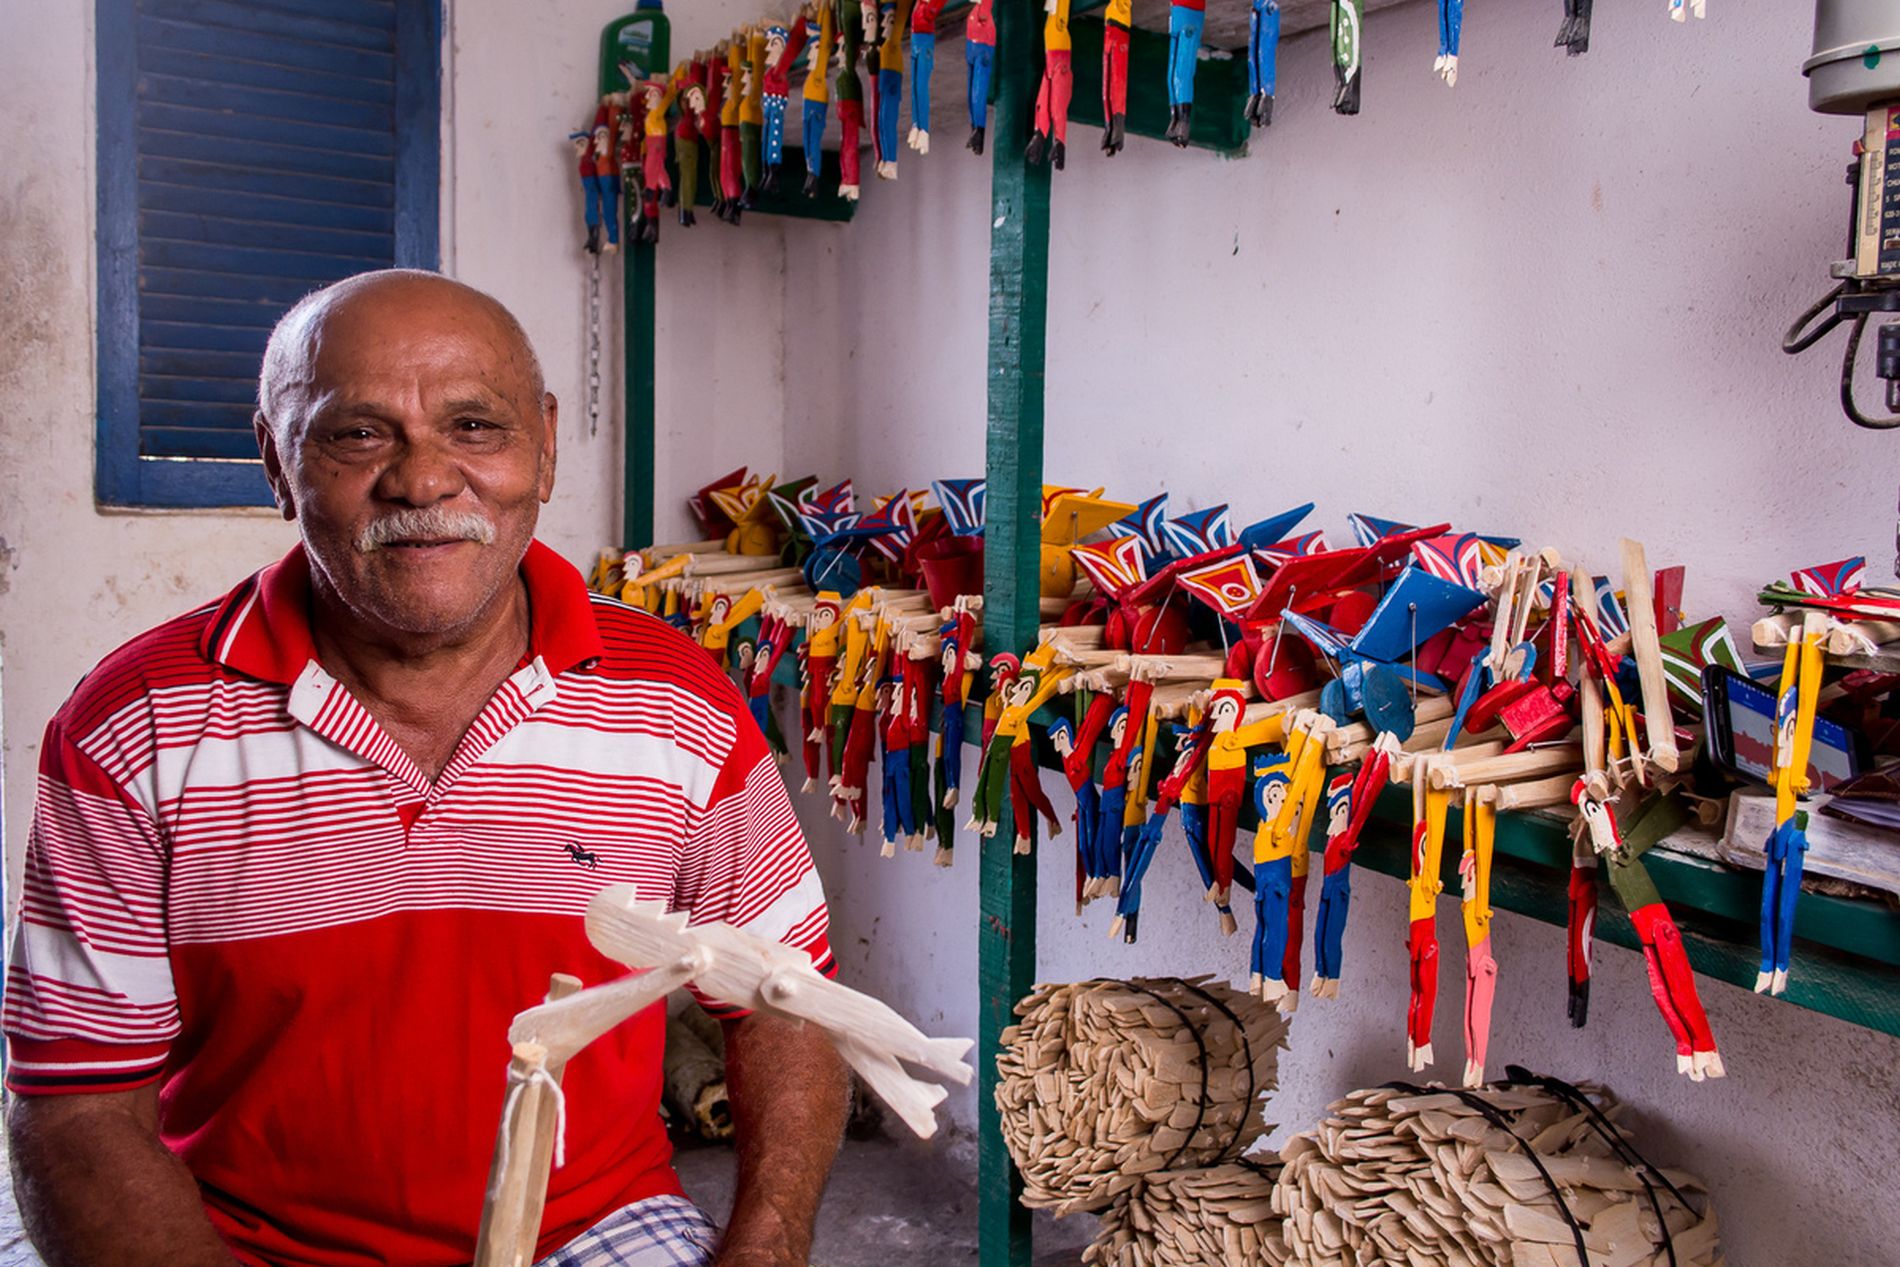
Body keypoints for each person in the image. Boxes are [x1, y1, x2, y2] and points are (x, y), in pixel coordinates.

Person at [3, 270, 851, 1267]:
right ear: (276, 458)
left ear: (542, 447)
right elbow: (79, 1109)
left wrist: (766, 1244)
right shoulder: (134, 726)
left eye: (474, 428)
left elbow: (784, 1006)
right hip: (243, 1241)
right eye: (357, 434)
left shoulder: (675, 700)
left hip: (593, 1226)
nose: (422, 479)